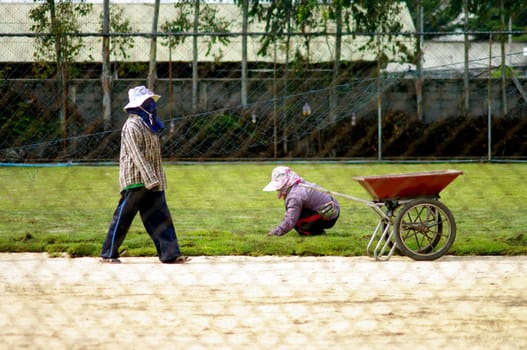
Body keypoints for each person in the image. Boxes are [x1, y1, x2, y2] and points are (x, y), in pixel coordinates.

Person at [100, 85, 188, 264]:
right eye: (147, 102)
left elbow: (154, 156)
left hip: (153, 180)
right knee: (123, 216)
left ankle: (170, 254)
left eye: (151, 101)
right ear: (138, 105)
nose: (152, 105)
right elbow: (136, 155)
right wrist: (150, 178)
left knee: (160, 216)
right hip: (136, 180)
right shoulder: (131, 125)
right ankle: (108, 253)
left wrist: (156, 180)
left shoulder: (150, 125)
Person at [263, 166, 340, 236]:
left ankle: (315, 233)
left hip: (329, 216)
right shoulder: (298, 183)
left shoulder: (294, 195)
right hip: (333, 208)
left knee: (296, 221)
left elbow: (290, 220)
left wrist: (275, 232)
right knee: (294, 215)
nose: (277, 190)